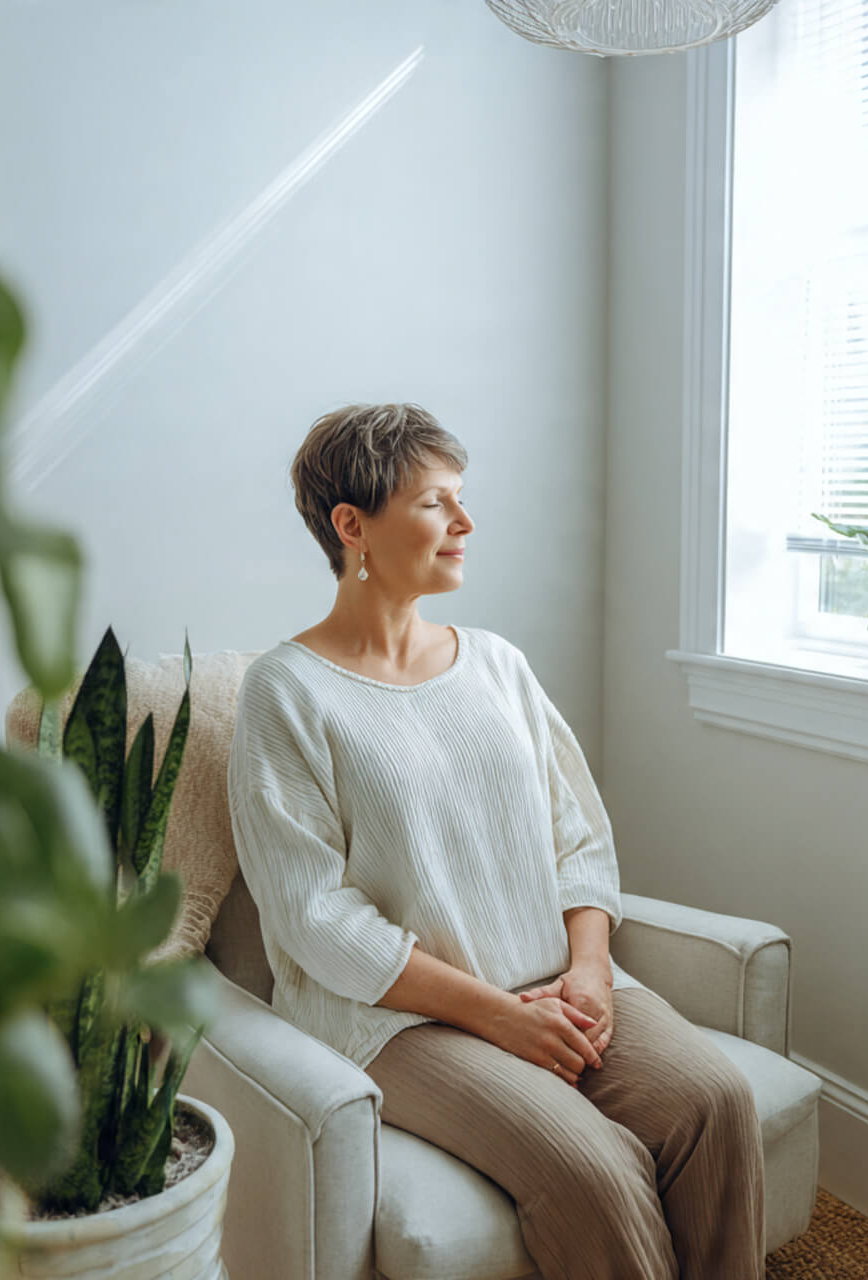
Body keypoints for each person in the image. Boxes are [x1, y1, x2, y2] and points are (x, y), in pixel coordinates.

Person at [227, 403, 764, 1279]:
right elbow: (316, 920)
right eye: (437, 503)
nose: (466, 523)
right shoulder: (283, 694)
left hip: (554, 978)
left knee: (716, 1101)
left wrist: (589, 969)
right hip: (397, 1021)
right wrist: (502, 1020)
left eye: (461, 499)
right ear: (352, 526)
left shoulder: (498, 664)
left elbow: (578, 835)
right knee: (597, 1170)